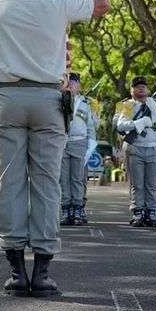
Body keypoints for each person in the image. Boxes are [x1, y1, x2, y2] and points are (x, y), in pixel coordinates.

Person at [0, 0, 108, 297]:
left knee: (9, 182)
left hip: (7, 98)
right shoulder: (58, 3)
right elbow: (101, 4)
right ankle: (43, 273)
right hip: (49, 100)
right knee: (47, 183)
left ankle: (16, 273)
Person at [114, 76, 156, 228]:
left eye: (143, 86)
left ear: (148, 89)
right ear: (132, 90)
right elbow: (120, 125)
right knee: (137, 183)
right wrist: (139, 123)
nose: (141, 88)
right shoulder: (128, 106)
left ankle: (151, 211)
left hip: (152, 147)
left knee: (151, 183)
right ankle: (137, 211)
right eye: (137, 86)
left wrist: (154, 110)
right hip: (136, 147)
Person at [58, 73, 97, 226]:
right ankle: (66, 209)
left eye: (74, 82)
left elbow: (91, 127)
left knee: (78, 179)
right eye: (68, 82)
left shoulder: (86, 104)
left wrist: (90, 146)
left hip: (79, 142)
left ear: (79, 85)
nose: (71, 85)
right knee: (64, 180)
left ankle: (78, 209)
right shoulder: (58, 100)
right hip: (62, 142)